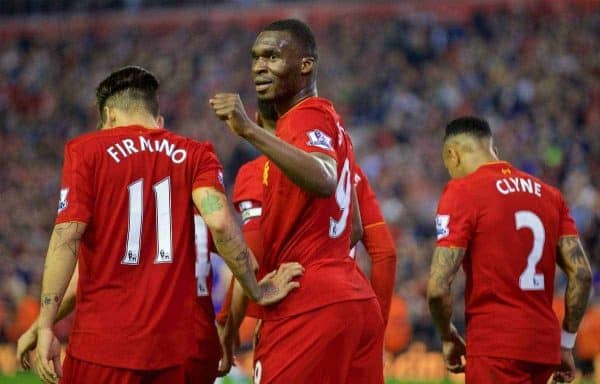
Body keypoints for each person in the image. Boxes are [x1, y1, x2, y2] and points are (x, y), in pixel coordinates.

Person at [34, 66, 303, 384]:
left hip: (104, 349)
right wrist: (256, 289)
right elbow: (218, 222)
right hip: (186, 351)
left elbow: (67, 236)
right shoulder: (196, 154)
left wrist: (45, 326)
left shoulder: (86, 151)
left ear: (109, 114)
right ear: (155, 116)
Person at [210, 19, 384, 383]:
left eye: (272, 56)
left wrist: (248, 130)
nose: (259, 65)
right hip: (355, 300)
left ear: (305, 65)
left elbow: (323, 179)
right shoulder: (335, 127)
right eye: (256, 57)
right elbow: (353, 228)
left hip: (307, 302)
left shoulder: (302, 118)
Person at [426, 116, 593, 384]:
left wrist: (447, 337)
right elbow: (582, 275)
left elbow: (437, 288)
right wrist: (566, 343)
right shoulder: (550, 195)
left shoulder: (463, 191)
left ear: (452, 154)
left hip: (496, 346)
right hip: (544, 348)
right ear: (494, 151)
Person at [18, 211, 230, 384]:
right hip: (194, 345)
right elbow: (241, 260)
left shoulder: (128, 210)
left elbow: (78, 280)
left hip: (121, 348)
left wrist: (40, 327)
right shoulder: (200, 208)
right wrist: (227, 328)